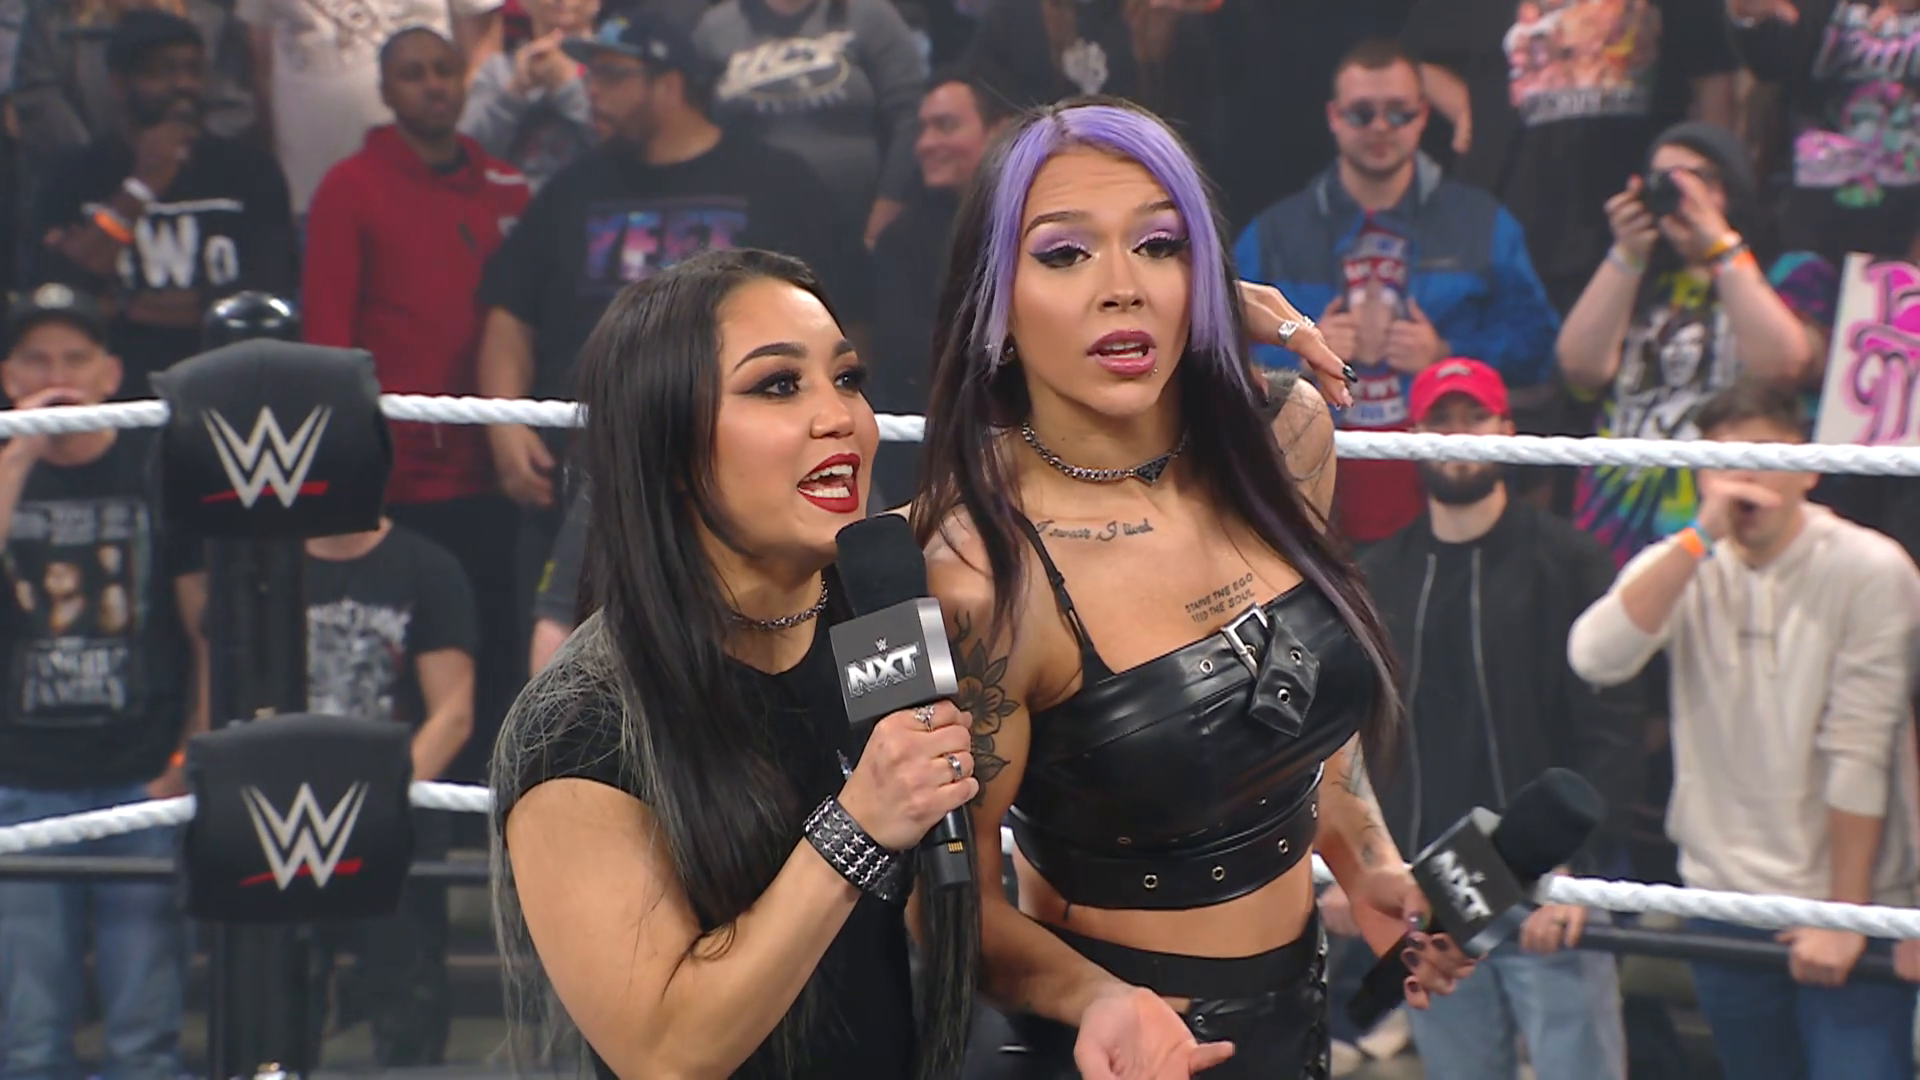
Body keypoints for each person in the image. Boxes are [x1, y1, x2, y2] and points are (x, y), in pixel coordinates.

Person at [913, 97, 1472, 1078]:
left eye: (1160, 245)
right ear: (995, 298)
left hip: (1300, 1021)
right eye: (1065, 254)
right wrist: (1097, 1001)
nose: (1122, 289)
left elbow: (1294, 705)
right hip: (1123, 1050)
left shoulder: (1286, 440)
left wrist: (1368, 862)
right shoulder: (975, 573)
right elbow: (944, 904)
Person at [489, 248, 988, 1079]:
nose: (840, 417)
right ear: (669, 446)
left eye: (848, 379)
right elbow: (667, 1053)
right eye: (779, 385)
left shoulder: (878, 616)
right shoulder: (580, 724)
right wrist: (857, 826)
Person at [1569, 379, 1920, 1080]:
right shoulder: (1687, 561)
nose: (1743, 477)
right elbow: (1595, 657)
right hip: (1724, 893)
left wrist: (1847, 912)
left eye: (1763, 454)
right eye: (1722, 459)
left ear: (1809, 467)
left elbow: (1862, 744)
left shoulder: (1871, 567)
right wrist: (1699, 537)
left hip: (1851, 898)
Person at [476, 9, 858, 649]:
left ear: (670, 83)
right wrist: (504, 422)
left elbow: (843, 326)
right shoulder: (574, 189)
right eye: (591, 76)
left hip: (740, 477)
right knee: (566, 639)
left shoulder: (777, 184)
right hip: (589, 474)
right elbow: (509, 310)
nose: (593, 91)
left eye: (612, 75)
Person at [1354, 358, 1638, 1080]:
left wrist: (1576, 869)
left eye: (1473, 417)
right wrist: (1362, 871)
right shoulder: (1381, 574)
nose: (1458, 435)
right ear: (1413, 435)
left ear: (1507, 430)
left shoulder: (1570, 561)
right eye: (1441, 420)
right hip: (1433, 881)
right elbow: (1358, 738)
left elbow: (1613, 728)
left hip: (1543, 875)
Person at [302, 25, 530, 781]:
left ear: (465, 80)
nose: (432, 84)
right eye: (412, 73)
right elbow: (328, 338)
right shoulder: (349, 188)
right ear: (385, 90)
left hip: (492, 473)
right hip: (397, 484)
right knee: (405, 675)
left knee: (498, 660)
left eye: (443, 69)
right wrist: (351, 469)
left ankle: (488, 826)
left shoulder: (508, 185)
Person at [0, 283, 209, 1080]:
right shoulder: (4, 467)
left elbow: (205, 630)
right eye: (36, 359)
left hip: (140, 776)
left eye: (74, 357)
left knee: (143, 1038)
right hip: (22, 780)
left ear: (109, 372)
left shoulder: (154, 467)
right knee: (28, 1037)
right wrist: (21, 453)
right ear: (8, 376)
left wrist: (186, 758)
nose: (56, 375)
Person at [1237, 38, 1558, 549]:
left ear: (1423, 116)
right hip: (1305, 505)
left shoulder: (1482, 223)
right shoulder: (1274, 234)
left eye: (1398, 113)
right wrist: (1299, 356)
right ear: (1334, 117)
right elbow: (1215, 351)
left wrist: (1447, 355)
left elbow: (1540, 348)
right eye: (1362, 114)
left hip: (1451, 509)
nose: (1381, 127)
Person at [1555, 120, 1836, 571]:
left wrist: (1720, 248)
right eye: (1662, 180)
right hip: (1616, 523)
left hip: (1731, 526)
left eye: (1695, 179)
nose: (1678, 195)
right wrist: (1627, 253)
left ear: (1731, 187)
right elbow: (1579, 367)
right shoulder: (1635, 277)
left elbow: (1784, 366)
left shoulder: (1790, 272)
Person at [26, 10, 299, 400]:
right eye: (162, 71)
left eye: (193, 70)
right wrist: (142, 186)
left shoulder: (250, 171)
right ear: (119, 84)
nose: (183, 84)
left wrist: (126, 306)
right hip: (117, 393)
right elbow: (63, 293)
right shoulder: (76, 174)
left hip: (229, 385)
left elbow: (263, 294)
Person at [304, 513, 477, 1067]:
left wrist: (373, 802)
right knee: (281, 1009)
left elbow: (453, 714)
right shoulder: (266, 570)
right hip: (288, 816)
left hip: (396, 825)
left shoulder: (426, 568)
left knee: (408, 1012)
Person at [869, 66, 1014, 509]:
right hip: (931, 448)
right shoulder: (902, 238)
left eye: (946, 126)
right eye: (923, 129)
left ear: (999, 131)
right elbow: (899, 346)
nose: (926, 143)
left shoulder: (1040, 227)